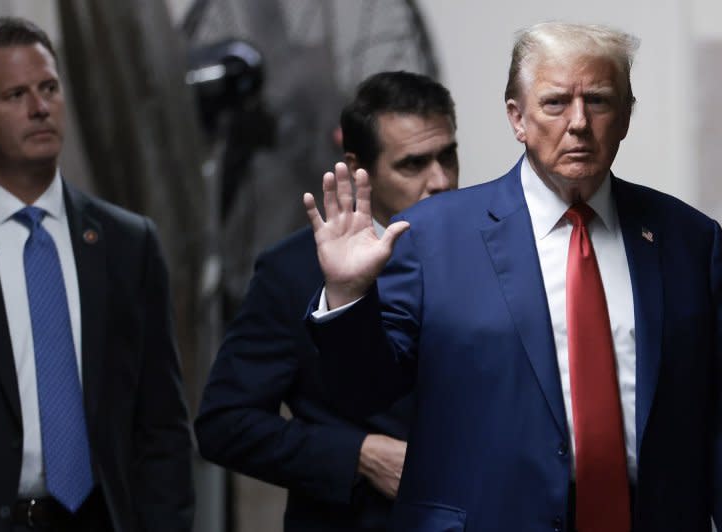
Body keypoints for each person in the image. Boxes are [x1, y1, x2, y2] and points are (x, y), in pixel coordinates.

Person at [304, 22, 721, 532]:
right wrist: (348, 294)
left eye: (599, 100)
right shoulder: (434, 236)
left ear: (627, 117)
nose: (579, 123)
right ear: (516, 118)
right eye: (554, 104)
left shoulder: (690, 240)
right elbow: (363, 391)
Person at [0, 17, 194, 531]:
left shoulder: (128, 244)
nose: (40, 107)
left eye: (49, 88)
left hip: (98, 519)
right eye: (15, 95)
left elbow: (162, 426)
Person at [195, 71, 458, 531]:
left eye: (447, 157)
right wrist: (358, 455)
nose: (439, 180)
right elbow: (224, 424)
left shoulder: (490, 250)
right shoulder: (291, 272)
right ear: (361, 168)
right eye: (413, 164)